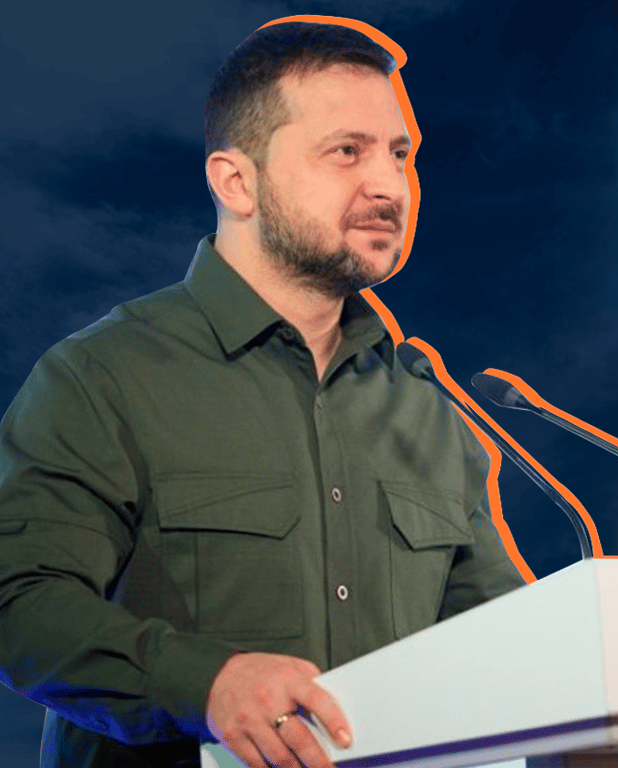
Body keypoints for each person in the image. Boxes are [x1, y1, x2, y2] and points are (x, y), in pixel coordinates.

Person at [0, 21, 526, 768]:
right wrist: (206, 683)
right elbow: (17, 600)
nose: (389, 185)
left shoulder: (427, 408)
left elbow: (505, 645)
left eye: (399, 154)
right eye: (347, 151)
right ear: (235, 181)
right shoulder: (102, 377)